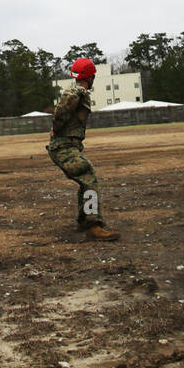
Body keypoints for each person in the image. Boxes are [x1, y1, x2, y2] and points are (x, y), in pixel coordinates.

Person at [46, 57, 119, 241]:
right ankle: (93, 225)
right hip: (63, 147)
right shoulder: (77, 92)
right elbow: (63, 109)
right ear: (90, 76)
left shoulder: (75, 91)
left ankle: (83, 220)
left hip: (66, 146)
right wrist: (57, 127)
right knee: (89, 177)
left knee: (84, 179)